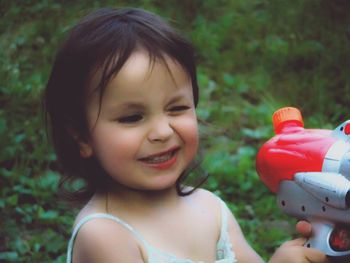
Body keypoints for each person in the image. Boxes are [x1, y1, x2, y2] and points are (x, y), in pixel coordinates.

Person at [43, 7, 329, 263]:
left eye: (176, 108)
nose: (162, 132)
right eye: (132, 117)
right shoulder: (104, 236)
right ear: (82, 137)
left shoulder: (211, 209)